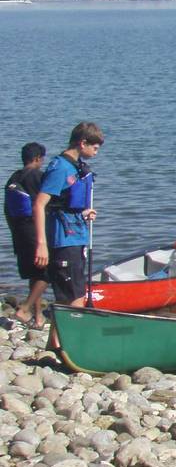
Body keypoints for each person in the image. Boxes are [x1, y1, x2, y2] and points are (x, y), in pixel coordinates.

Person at [32, 123, 103, 330]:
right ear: (83, 143)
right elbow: (40, 204)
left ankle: (56, 345)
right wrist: (41, 244)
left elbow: (61, 203)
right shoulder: (60, 167)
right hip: (64, 239)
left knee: (67, 296)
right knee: (75, 298)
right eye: (95, 148)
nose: (96, 153)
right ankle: (74, 344)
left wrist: (82, 212)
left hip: (75, 235)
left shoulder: (74, 166)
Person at [4, 142, 47, 325]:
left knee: (34, 273)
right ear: (38, 159)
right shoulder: (38, 177)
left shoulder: (13, 178)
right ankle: (25, 308)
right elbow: (45, 205)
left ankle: (38, 317)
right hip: (34, 229)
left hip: (18, 230)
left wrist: (13, 231)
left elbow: (6, 209)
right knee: (48, 272)